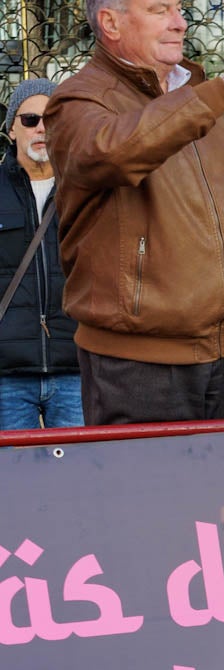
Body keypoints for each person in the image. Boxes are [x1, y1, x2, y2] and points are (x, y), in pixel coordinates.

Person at [43, 0, 224, 425]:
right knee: (152, 490)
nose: (179, 22)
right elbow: (114, 152)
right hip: (138, 361)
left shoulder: (194, 92)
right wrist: (221, 93)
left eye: (178, 8)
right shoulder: (78, 100)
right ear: (111, 22)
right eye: (159, 10)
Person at [0, 78, 82, 431]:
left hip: (76, 367)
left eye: (54, 119)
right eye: (30, 119)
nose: (42, 128)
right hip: (6, 373)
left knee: (82, 479)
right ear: (12, 128)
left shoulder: (87, 190)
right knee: (13, 480)